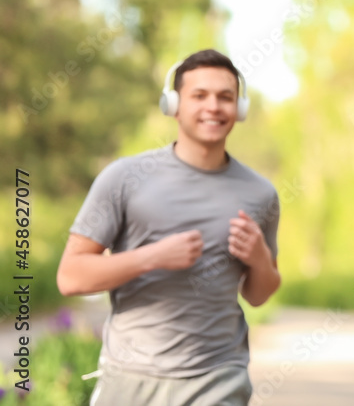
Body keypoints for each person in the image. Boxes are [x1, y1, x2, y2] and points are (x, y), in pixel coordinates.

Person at [57, 49, 281, 406]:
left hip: (219, 375)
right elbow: (71, 276)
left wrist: (258, 259)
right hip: (131, 377)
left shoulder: (260, 193)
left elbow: (259, 294)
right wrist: (151, 257)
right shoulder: (124, 178)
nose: (214, 106)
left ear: (239, 109)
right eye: (199, 95)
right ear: (173, 104)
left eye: (226, 97)